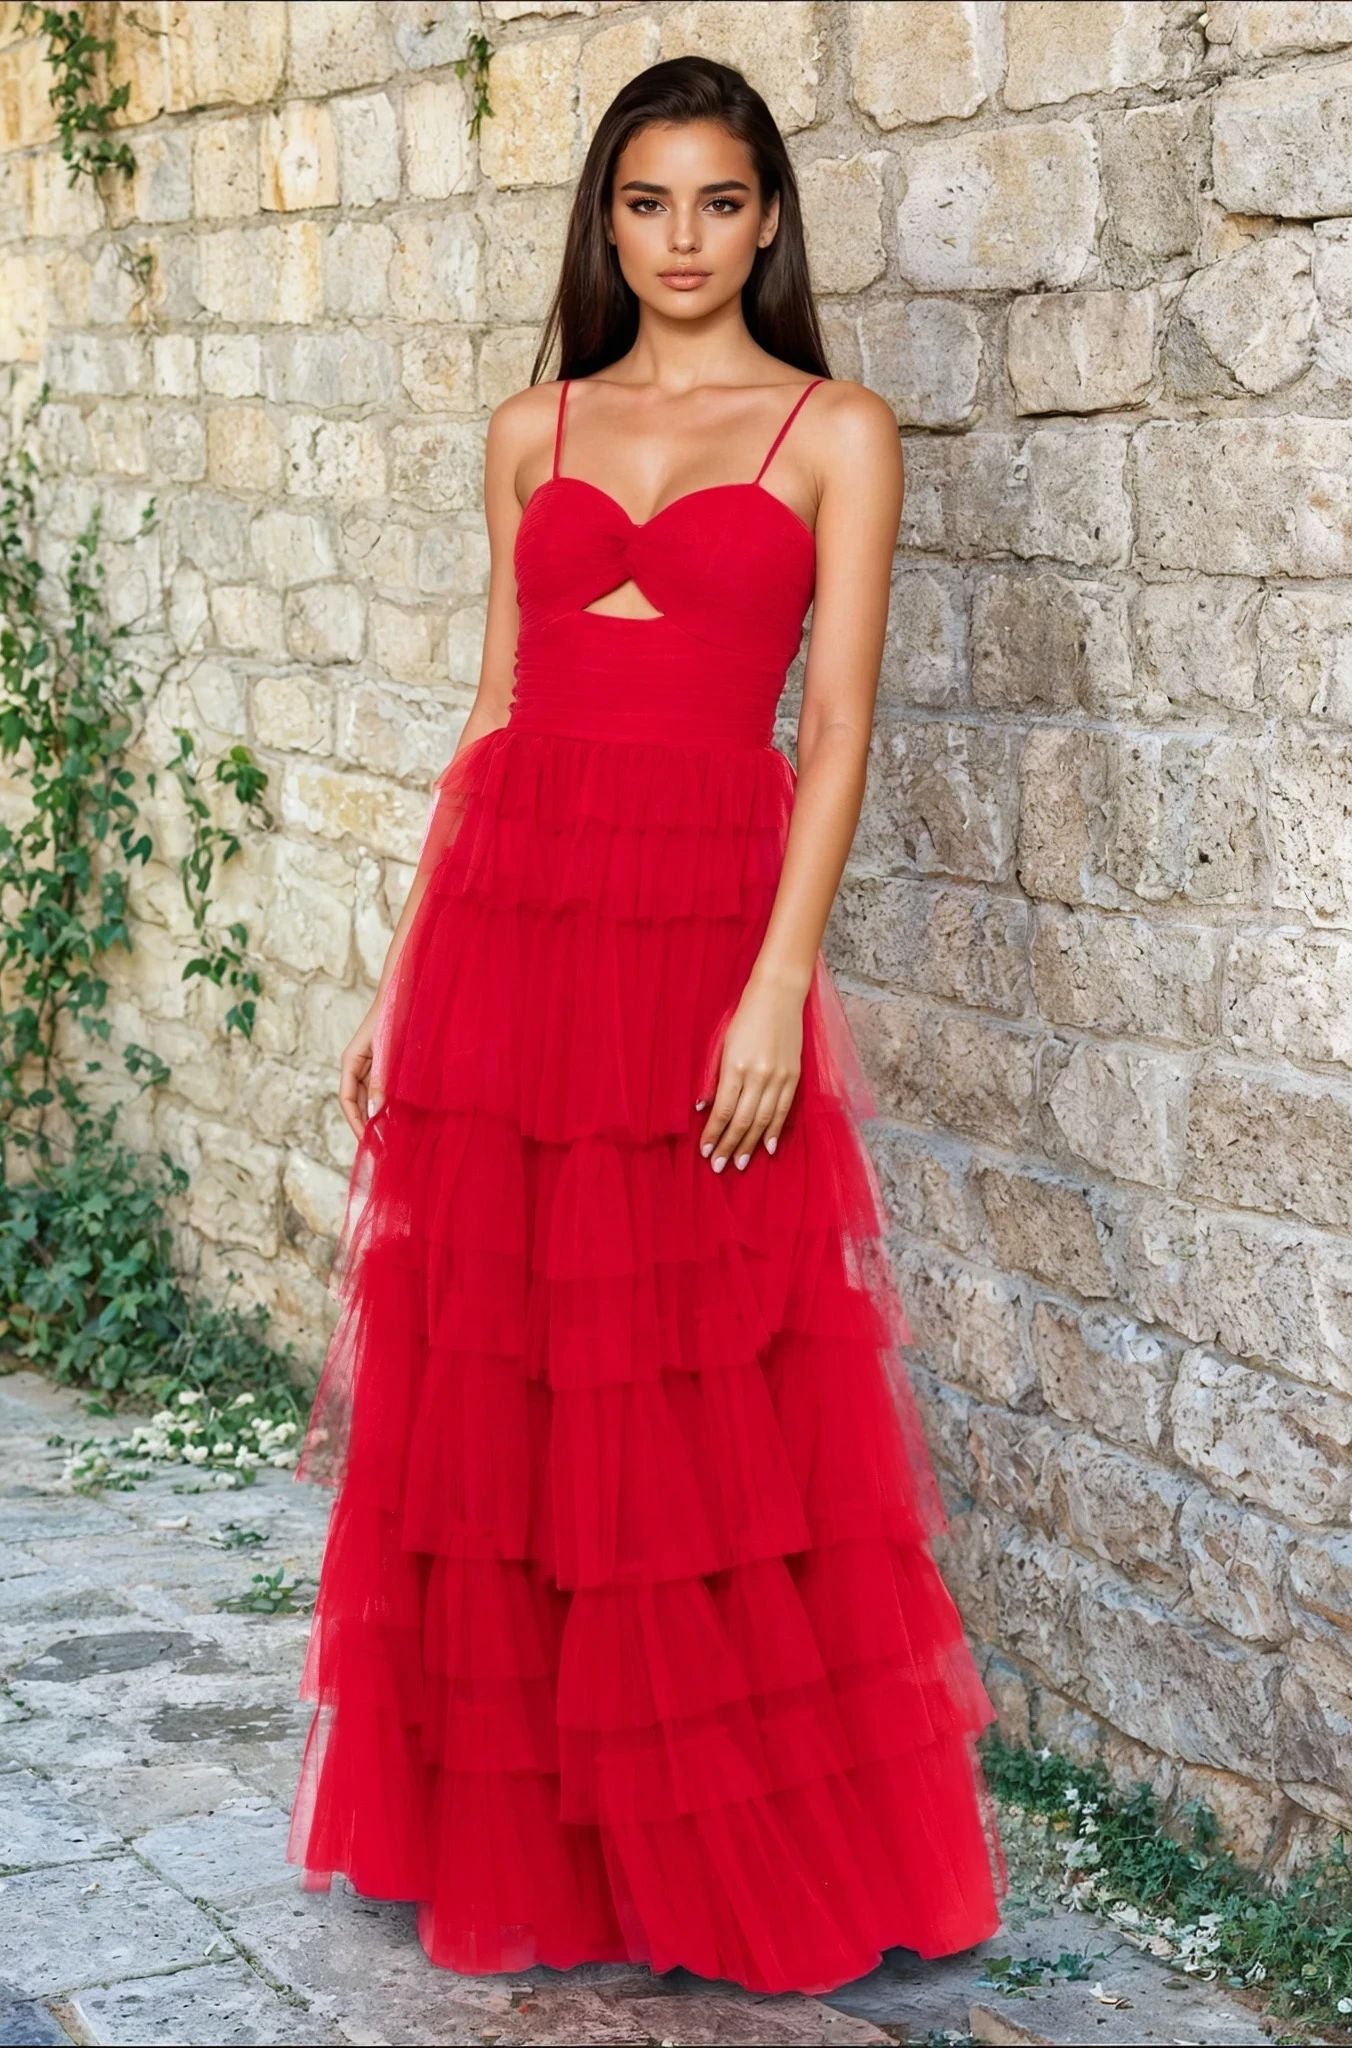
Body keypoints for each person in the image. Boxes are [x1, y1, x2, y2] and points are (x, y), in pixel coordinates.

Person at [286, 52, 1005, 1998]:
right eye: (642, 204)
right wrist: (399, 974)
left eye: (714, 203)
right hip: (511, 932)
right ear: (604, 224)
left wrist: (777, 977)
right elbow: (494, 714)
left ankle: (719, 1846)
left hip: (701, 928)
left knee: (700, 1399)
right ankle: (531, 1842)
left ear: (767, 219)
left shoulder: (834, 430)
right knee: (512, 1390)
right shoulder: (535, 425)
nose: (678, 241)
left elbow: (835, 722)